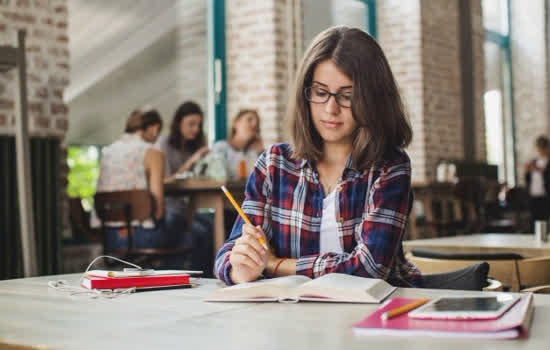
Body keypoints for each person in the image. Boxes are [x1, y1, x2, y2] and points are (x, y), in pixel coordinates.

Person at [214, 26, 422, 287]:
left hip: (373, 315)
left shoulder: (390, 166)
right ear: (306, 93)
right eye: (320, 92)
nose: (330, 109)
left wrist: (274, 264)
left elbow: (370, 268)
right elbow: (227, 256)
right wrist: (241, 268)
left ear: (373, 100)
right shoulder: (274, 164)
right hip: (292, 316)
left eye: (348, 96)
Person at [96, 109, 173, 250]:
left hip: (109, 238)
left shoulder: (107, 152)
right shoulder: (153, 153)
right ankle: (165, 271)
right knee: (191, 232)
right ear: (154, 128)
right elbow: (158, 210)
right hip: (142, 237)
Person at [156, 101, 210, 182]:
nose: (196, 129)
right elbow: (165, 181)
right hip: (171, 193)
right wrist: (191, 162)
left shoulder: (197, 144)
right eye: (191, 124)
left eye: (199, 125)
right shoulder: (163, 143)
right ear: (178, 123)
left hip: (193, 192)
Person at [211, 109, 264, 179]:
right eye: (249, 120)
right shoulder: (220, 148)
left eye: (257, 123)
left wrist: (261, 153)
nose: (254, 124)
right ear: (235, 123)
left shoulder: (255, 152)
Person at [525, 135, 550, 225]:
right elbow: (528, 179)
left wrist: (541, 171)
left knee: (545, 219)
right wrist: (527, 171)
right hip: (534, 195)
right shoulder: (534, 161)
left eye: (542, 147)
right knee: (534, 219)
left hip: (546, 196)